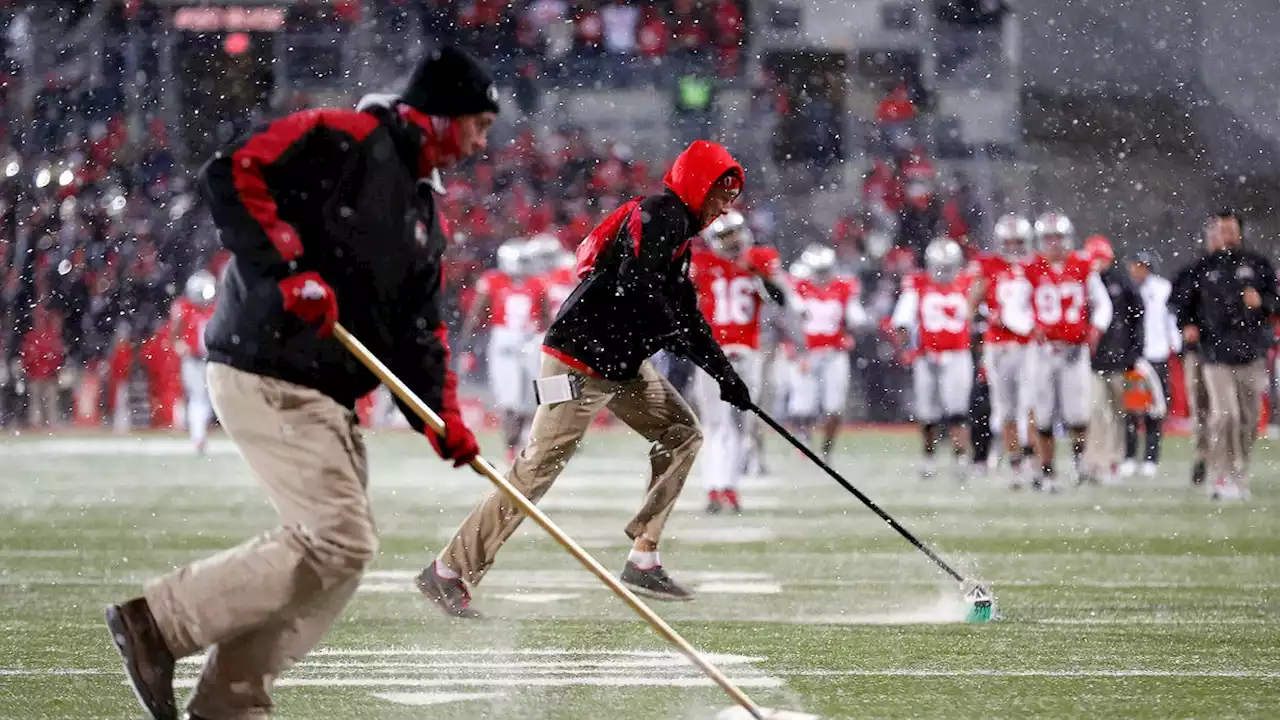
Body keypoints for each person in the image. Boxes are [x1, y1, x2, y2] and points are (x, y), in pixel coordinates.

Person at [102, 47, 496, 720]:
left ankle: (228, 704)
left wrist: (442, 415)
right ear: (440, 117)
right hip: (266, 365)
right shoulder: (340, 136)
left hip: (323, 392)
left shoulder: (426, 218)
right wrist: (289, 269)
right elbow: (233, 172)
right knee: (339, 537)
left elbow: (419, 332)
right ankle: (158, 625)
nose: (481, 143)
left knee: (340, 556)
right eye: (478, 126)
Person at [419, 140, 751, 616]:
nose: (725, 207)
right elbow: (638, 287)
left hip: (619, 363)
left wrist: (725, 375)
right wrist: (677, 333)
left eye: (731, 197)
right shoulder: (661, 216)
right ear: (699, 183)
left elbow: (684, 314)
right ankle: (448, 571)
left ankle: (644, 555)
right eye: (722, 193)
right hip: (575, 362)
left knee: (682, 433)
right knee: (535, 469)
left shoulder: (678, 234)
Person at [688, 209, 791, 513]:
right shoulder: (701, 264)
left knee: (740, 426)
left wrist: (759, 274)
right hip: (713, 352)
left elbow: (782, 299)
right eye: (725, 237)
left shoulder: (760, 259)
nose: (732, 242)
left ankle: (729, 487)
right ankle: (713, 488)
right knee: (714, 423)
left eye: (735, 235)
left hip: (748, 352)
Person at [1173, 209, 1278, 500]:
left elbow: (1275, 301)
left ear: (1239, 232)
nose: (1226, 235)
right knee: (1224, 416)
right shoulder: (1202, 268)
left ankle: (1240, 471)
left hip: (1251, 351)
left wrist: (1263, 301)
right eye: (1221, 229)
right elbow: (1181, 304)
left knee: (1249, 417)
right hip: (1214, 353)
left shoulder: (1257, 265)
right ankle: (1222, 475)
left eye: (1230, 229)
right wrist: (1187, 325)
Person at [1025, 213, 1113, 492]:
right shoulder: (1031, 268)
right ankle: (1048, 470)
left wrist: (1096, 329)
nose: (1053, 243)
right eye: (1048, 238)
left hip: (1075, 350)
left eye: (1058, 237)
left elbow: (1103, 304)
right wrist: (1030, 326)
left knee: (1077, 414)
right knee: (1044, 415)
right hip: (1043, 351)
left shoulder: (1082, 265)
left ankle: (1080, 464)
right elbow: (1014, 305)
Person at [892, 237, 975, 480]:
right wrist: (907, 348)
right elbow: (902, 322)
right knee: (928, 413)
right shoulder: (917, 284)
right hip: (927, 356)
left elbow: (980, 317)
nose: (944, 272)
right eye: (940, 266)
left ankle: (961, 458)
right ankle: (928, 458)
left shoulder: (968, 283)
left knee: (958, 410)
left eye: (948, 266)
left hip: (957, 354)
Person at [462, 238, 546, 462]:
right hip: (505, 342)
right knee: (510, 400)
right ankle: (511, 447)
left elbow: (546, 319)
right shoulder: (493, 280)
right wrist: (466, 346)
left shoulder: (537, 283)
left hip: (532, 341)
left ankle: (527, 442)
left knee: (532, 398)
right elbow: (475, 314)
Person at [967, 213, 1035, 487]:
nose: (1014, 247)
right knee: (1005, 408)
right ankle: (1016, 462)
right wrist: (984, 316)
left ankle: (1034, 460)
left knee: (1029, 406)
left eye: (1019, 241)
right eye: (1009, 241)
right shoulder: (989, 266)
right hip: (998, 345)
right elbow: (971, 302)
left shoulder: (1036, 266)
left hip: (1028, 345)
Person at [1080, 235, 1151, 485]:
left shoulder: (1121, 283)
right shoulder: (1084, 283)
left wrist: (1134, 353)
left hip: (1120, 360)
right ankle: (1095, 461)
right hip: (1092, 361)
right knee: (1095, 412)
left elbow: (1137, 320)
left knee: (1122, 413)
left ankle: (1116, 459)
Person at [788, 244, 866, 459]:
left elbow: (856, 316)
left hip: (834, 352)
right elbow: (789, 319)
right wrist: (795, 349)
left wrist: (855, 322)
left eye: (825, 270)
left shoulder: (843, 287)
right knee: (803, 405)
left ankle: (826, 450)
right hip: (806, 353)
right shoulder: (798, 287)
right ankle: (804, 441)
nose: (822, 276)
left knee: (834, 407)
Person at [1170, 226, 1223, 486]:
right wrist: (1186, 323)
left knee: (1225, 410)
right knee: (1202, 406)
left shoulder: (1245, 268)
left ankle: (1222, 457)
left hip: (1229, 352)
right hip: (1200, 350)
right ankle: (1203, 454)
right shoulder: (1194, 271)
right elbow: (1177, 302)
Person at [1122, 251, 1179, 477]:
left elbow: (1170, 318)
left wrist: (1174, 344)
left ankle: (1151, 458)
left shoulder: (1162, 288)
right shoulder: (1128, 290)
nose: (1135, 270)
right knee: (1132, 409)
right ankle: (1129, 456)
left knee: (1155, 410)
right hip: (1136, 357)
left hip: (1157, 354)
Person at [170, 270, 218, 453]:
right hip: (193, 359)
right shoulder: (184, 307)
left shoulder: (215, 307)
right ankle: (198, 437)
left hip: (212, 358)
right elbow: (176, 332)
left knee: (209, 398)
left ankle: (200, 435)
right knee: (198, 397)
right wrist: (180, 345)